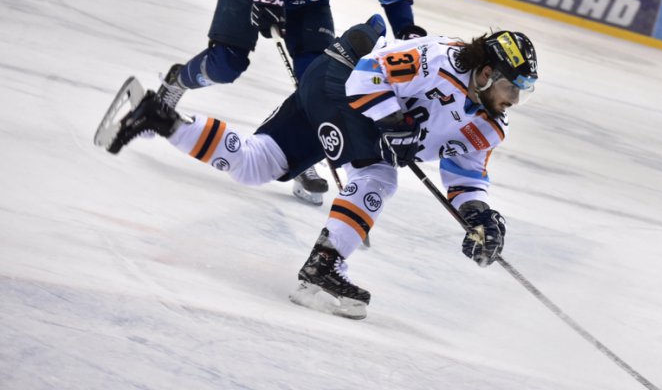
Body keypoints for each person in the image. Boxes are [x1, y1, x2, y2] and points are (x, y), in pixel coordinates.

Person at [99, 22, 539, 320]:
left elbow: (464, 174)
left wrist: (479, 215)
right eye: (511, 86)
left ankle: (158, 117)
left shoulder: (490, 124)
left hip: (343, 101)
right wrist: (392, 122)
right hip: (338, 80)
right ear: (485, 72)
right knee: (378, 175)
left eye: (524, 90)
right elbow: (367, 75)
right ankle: (323, 268)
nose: (515, 100)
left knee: (258, 163)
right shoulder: (438, 58)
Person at [153, 0, 425, 203]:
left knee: (319, 80)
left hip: (308, 3)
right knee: (226, 64)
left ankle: (297, 155)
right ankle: (177, 80)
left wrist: (408, 32)